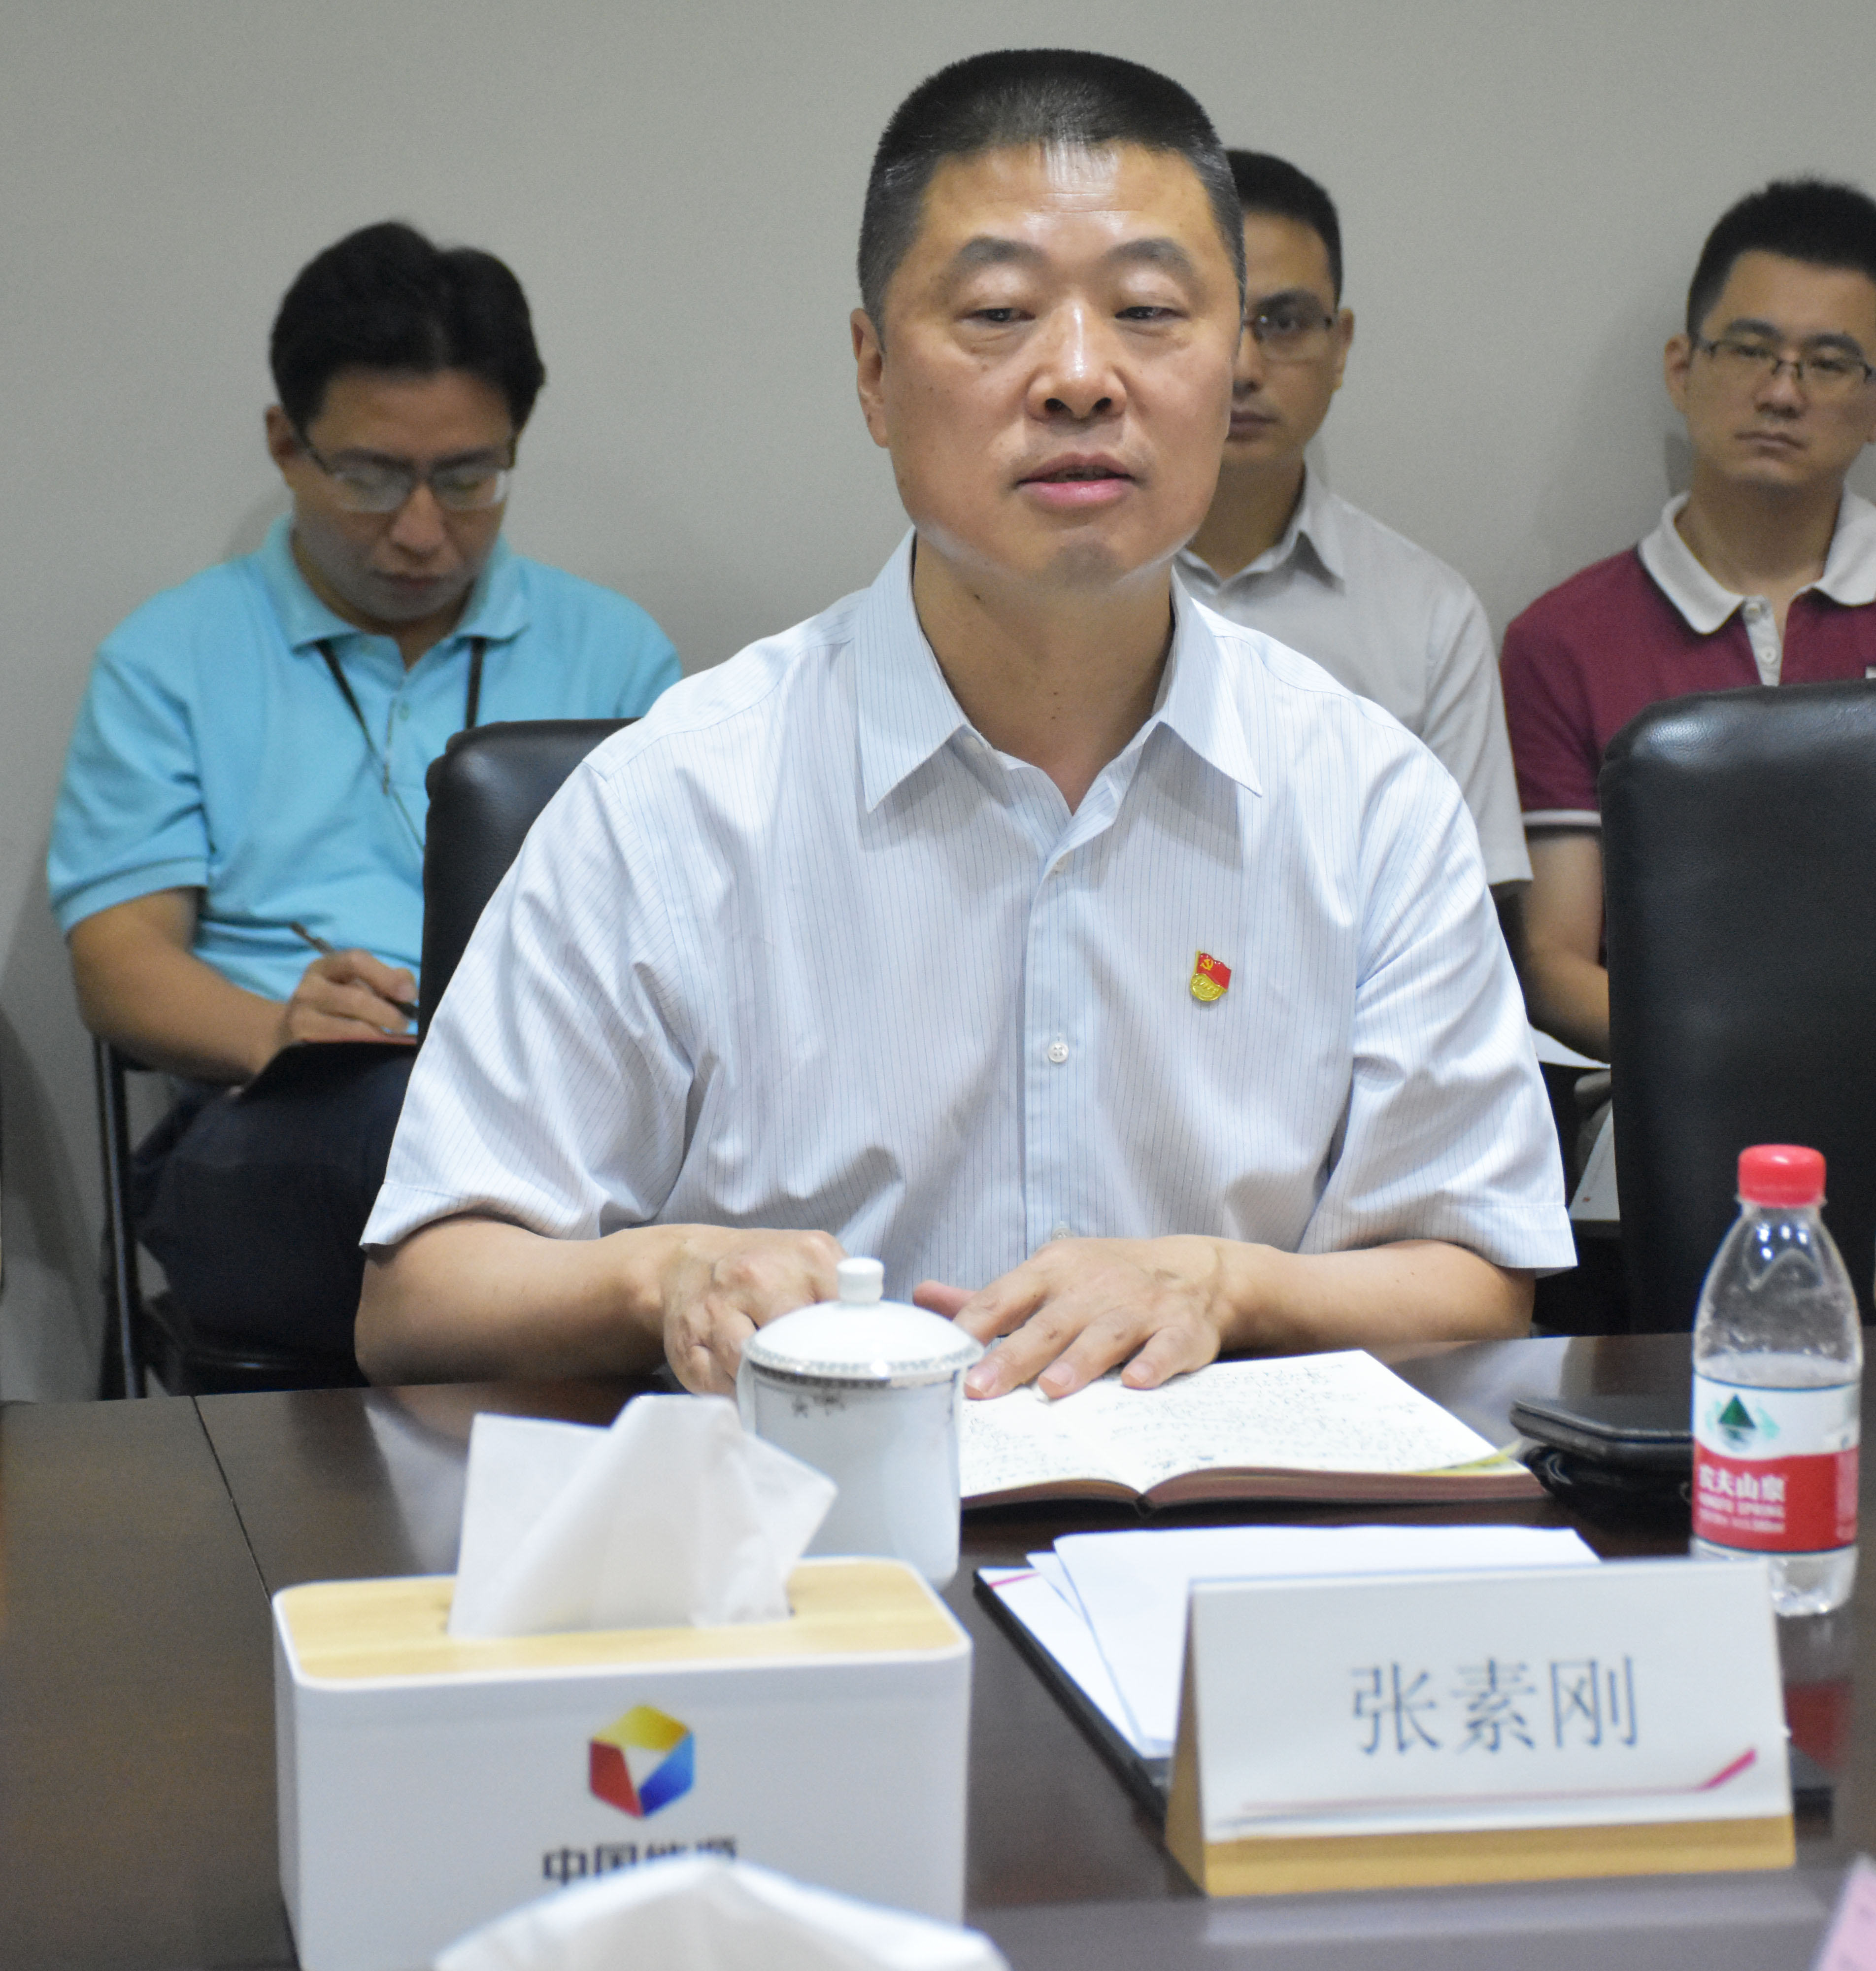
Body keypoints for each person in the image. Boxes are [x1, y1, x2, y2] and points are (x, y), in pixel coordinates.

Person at [357, 49, 1571, 1399]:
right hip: (806, 1511)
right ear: (873, 373)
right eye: (998, 313)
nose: (1080, 378)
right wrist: (665, 1274)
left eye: (1149, 312)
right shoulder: (678, 796)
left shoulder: (1368, 797)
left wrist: (1224, 1286)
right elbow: (419, 1297)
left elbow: (1477, 1273)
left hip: (1216, 1517)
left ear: (1230, 360)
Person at [50, 221, 680, 1362]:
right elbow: (118, 961)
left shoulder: (613, 651)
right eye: (372, 478)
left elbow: (691, 930)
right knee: (409, 1125)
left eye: (468, 478)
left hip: (557, 1116)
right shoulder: (172, 657)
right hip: (270, 1123)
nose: (422, 530)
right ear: (285, 444)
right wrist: (282, 1033)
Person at [1504, 178, 1876, 1061]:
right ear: (1683, 368)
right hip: (1670, 1093)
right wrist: (1735, 1070)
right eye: (1750, 350)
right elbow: (1555, 961)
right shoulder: (1562, 642)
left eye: (1828, 364)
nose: (1781, 394)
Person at [1178, 151, 1528, 893]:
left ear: (1339, 348)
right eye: (1211, 319)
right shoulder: (1067, 582)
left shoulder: (1429, 618)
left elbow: (1471, 905)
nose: (1243, 368)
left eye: (1283, 323)